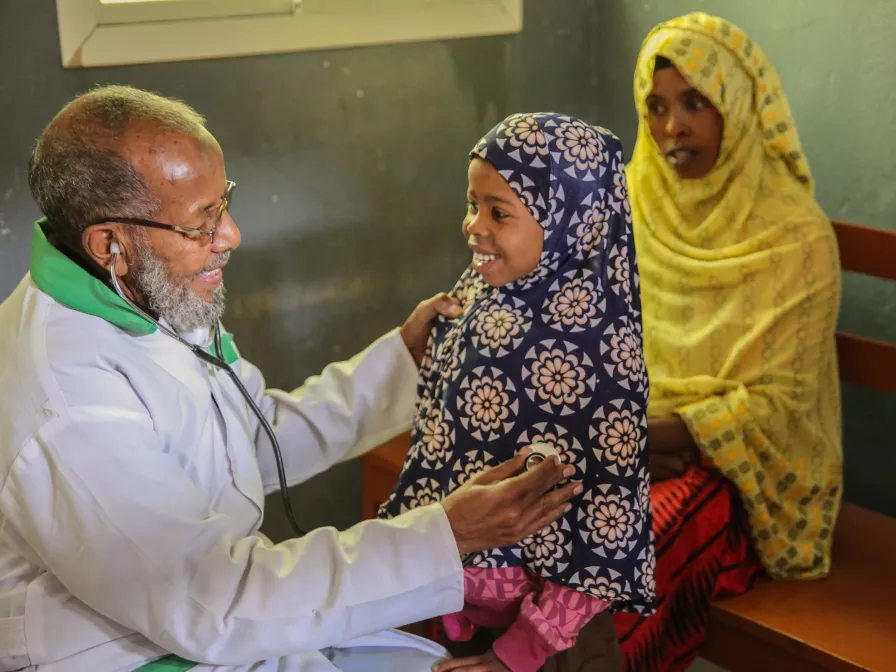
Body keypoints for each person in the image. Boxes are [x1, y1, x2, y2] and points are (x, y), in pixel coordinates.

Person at [0, 85, 583, 672]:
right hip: (128, 651)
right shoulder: (68, 402)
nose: (231, 236)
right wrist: (446, 536)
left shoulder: (141, 290)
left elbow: (246, 438)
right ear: (111, 245)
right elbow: (211, 603)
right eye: (203, 222)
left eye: (223, 202)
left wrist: (405, 361)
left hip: (203, 611)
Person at [378, 113, 656, 672]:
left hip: (548, 644)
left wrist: (517, 654)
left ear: (568, 222)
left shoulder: (598, 353)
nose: (473, 225)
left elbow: (607, 528)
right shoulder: (482, 296)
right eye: (471, 203)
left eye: (498, 212)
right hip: (463, 611)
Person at [614, 13, 843, 671]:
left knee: (608, 563)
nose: (670, 128)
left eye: (695, 102)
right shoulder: (635, 207)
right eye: (655, 106)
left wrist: (652, 435)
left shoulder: (795, 239)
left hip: (739, 483)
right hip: (633, 450)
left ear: (737, 108)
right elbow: (587, 342)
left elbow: (781, 409)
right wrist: (617, 440)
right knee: (500, 517)